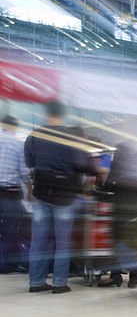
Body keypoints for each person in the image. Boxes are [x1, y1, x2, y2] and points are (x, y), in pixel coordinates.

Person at [24, 101, 95, 294]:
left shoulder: (34, 136)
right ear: (63, 115)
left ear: (45, 114)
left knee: (39, 239)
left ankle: (36, 282)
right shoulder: (70, 136)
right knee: (63, 240)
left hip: (41, 192)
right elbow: (84, 165)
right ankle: (59, 283)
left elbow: (29, 163)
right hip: (65, 195)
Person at [105, 128, 137, 289]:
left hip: (121, 197)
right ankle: (134, 278)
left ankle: (116, 275)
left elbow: (112, 175)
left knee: (117, 238)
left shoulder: (122, 148)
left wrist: (106, 186)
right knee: (135, 239)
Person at [0, 115, 29, 273]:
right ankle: (8, 265)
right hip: (9, 193)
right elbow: (24, 173)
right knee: (11, 230)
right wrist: (30, 191)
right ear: (15, 127)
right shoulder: (18, 144)